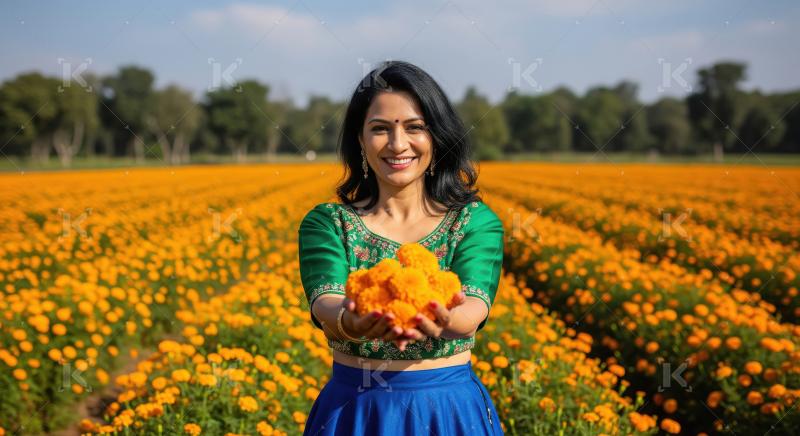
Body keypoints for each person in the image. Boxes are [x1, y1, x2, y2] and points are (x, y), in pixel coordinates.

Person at [298, 60, 505, 435]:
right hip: (356, 411)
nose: (397, 144)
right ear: (360, 141)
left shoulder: (474, 222)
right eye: (379, 129)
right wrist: (352, 321)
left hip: (447, 410)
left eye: (415, 128)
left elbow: (472, 310)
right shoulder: (329, 223)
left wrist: (440, 319)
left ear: (437, 137)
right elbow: (325, 300)